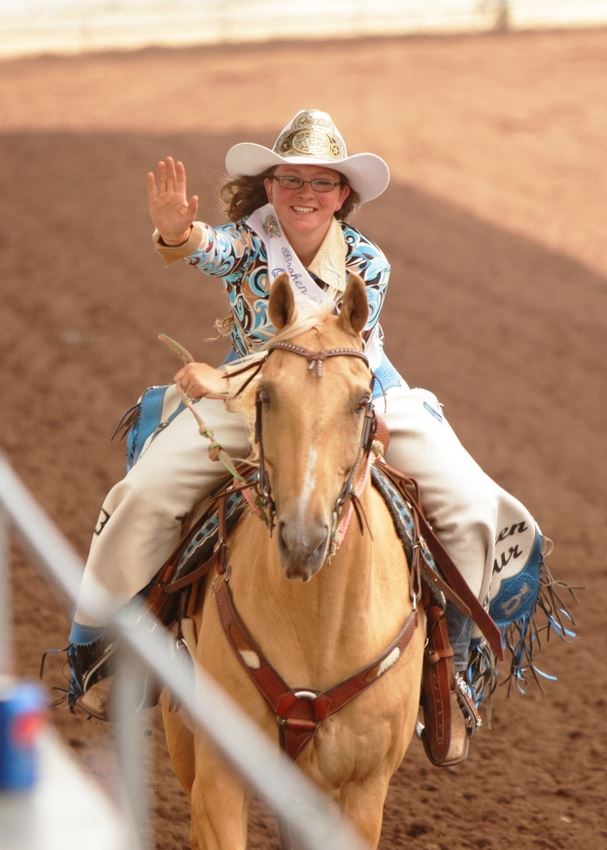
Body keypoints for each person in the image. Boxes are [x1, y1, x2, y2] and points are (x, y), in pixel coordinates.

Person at [64, 109, 541, 764]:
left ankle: (450, 675)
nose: (305, 194)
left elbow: (330, 357)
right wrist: (176, 232)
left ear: (343, 195)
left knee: (468, 505)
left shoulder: (367, 264)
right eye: (291, 179)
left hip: (358, 395)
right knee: (145, 496)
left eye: (321, 182)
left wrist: (222, 378)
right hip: (254, 400)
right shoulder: (247, 241)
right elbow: (209, 247)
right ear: (270, 186)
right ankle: (111, 650)